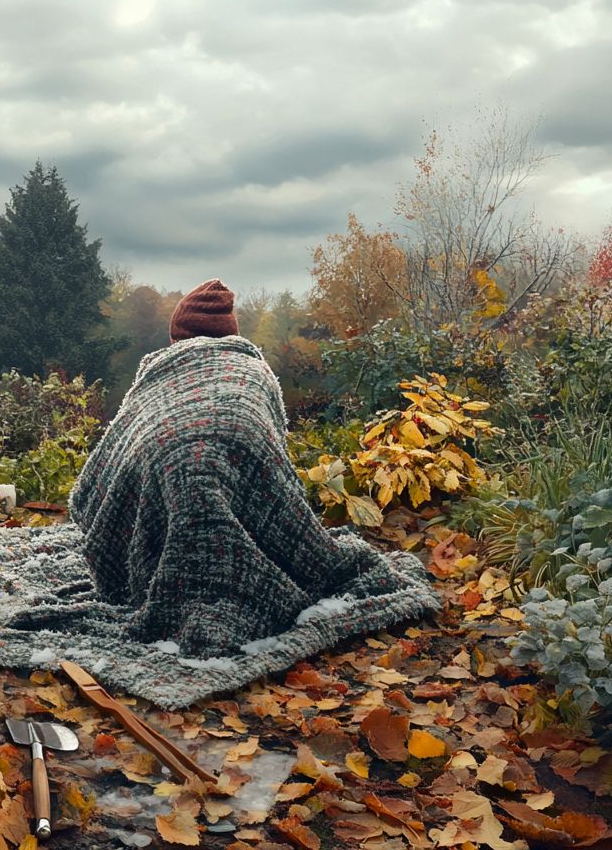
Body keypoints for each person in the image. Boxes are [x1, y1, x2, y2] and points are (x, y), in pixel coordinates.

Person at [68, 279, 431, 657]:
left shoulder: (158, 372)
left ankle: (166, 572)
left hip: (160, 465)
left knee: (177, 480)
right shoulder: (253, 371)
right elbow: (272, 451)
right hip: (232, 453)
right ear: (231, 332)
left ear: (177, 336)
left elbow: (112, 454)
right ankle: (243, 563)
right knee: (233, 484)